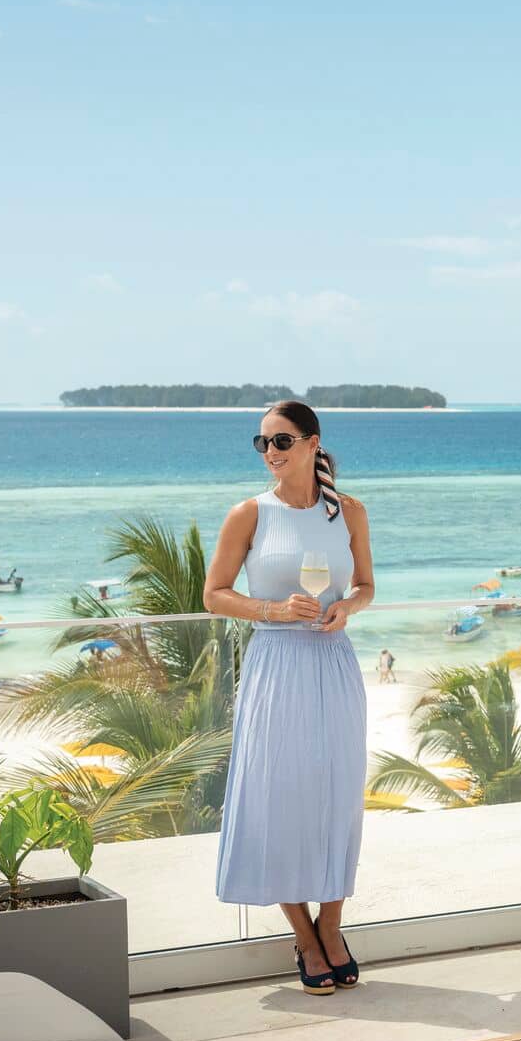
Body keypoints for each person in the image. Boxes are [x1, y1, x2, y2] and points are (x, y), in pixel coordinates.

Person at [204, 400, 375, 995]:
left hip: (332, 662)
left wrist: (346, 610)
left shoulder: (348, 512)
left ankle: (333, 927)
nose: (271, 453)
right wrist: (274, 610)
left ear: (312, 443)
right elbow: (215, 595)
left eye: (281, 441)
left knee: (336, 799)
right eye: (263, 443)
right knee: (277, 800)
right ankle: (303, 936)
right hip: (276, 664)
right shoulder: (249, 514)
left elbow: (366, 586)